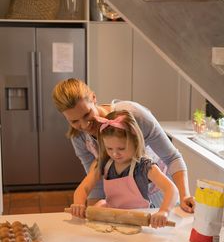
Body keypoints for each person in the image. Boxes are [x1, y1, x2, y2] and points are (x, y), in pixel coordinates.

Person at [52, 78, 195, 212]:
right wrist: (91, 212)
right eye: (74, 121)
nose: (84, 125)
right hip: (121, 202)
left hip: (158, 193)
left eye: (87, 114)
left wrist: (184, 196)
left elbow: (172, 157)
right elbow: (95, 182)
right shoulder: (79, 137)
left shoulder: (135, 115)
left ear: (94, 98)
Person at [69, 110, 179, 228]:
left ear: (135, 142)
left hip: (140, 219)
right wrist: (79, 203)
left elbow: (171, 190)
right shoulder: (103, 163)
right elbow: (83, 188)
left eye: (121, 148)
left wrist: (164, 211)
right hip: (113, 218)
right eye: (109, 148)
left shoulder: (144, 166)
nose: (115, 154)